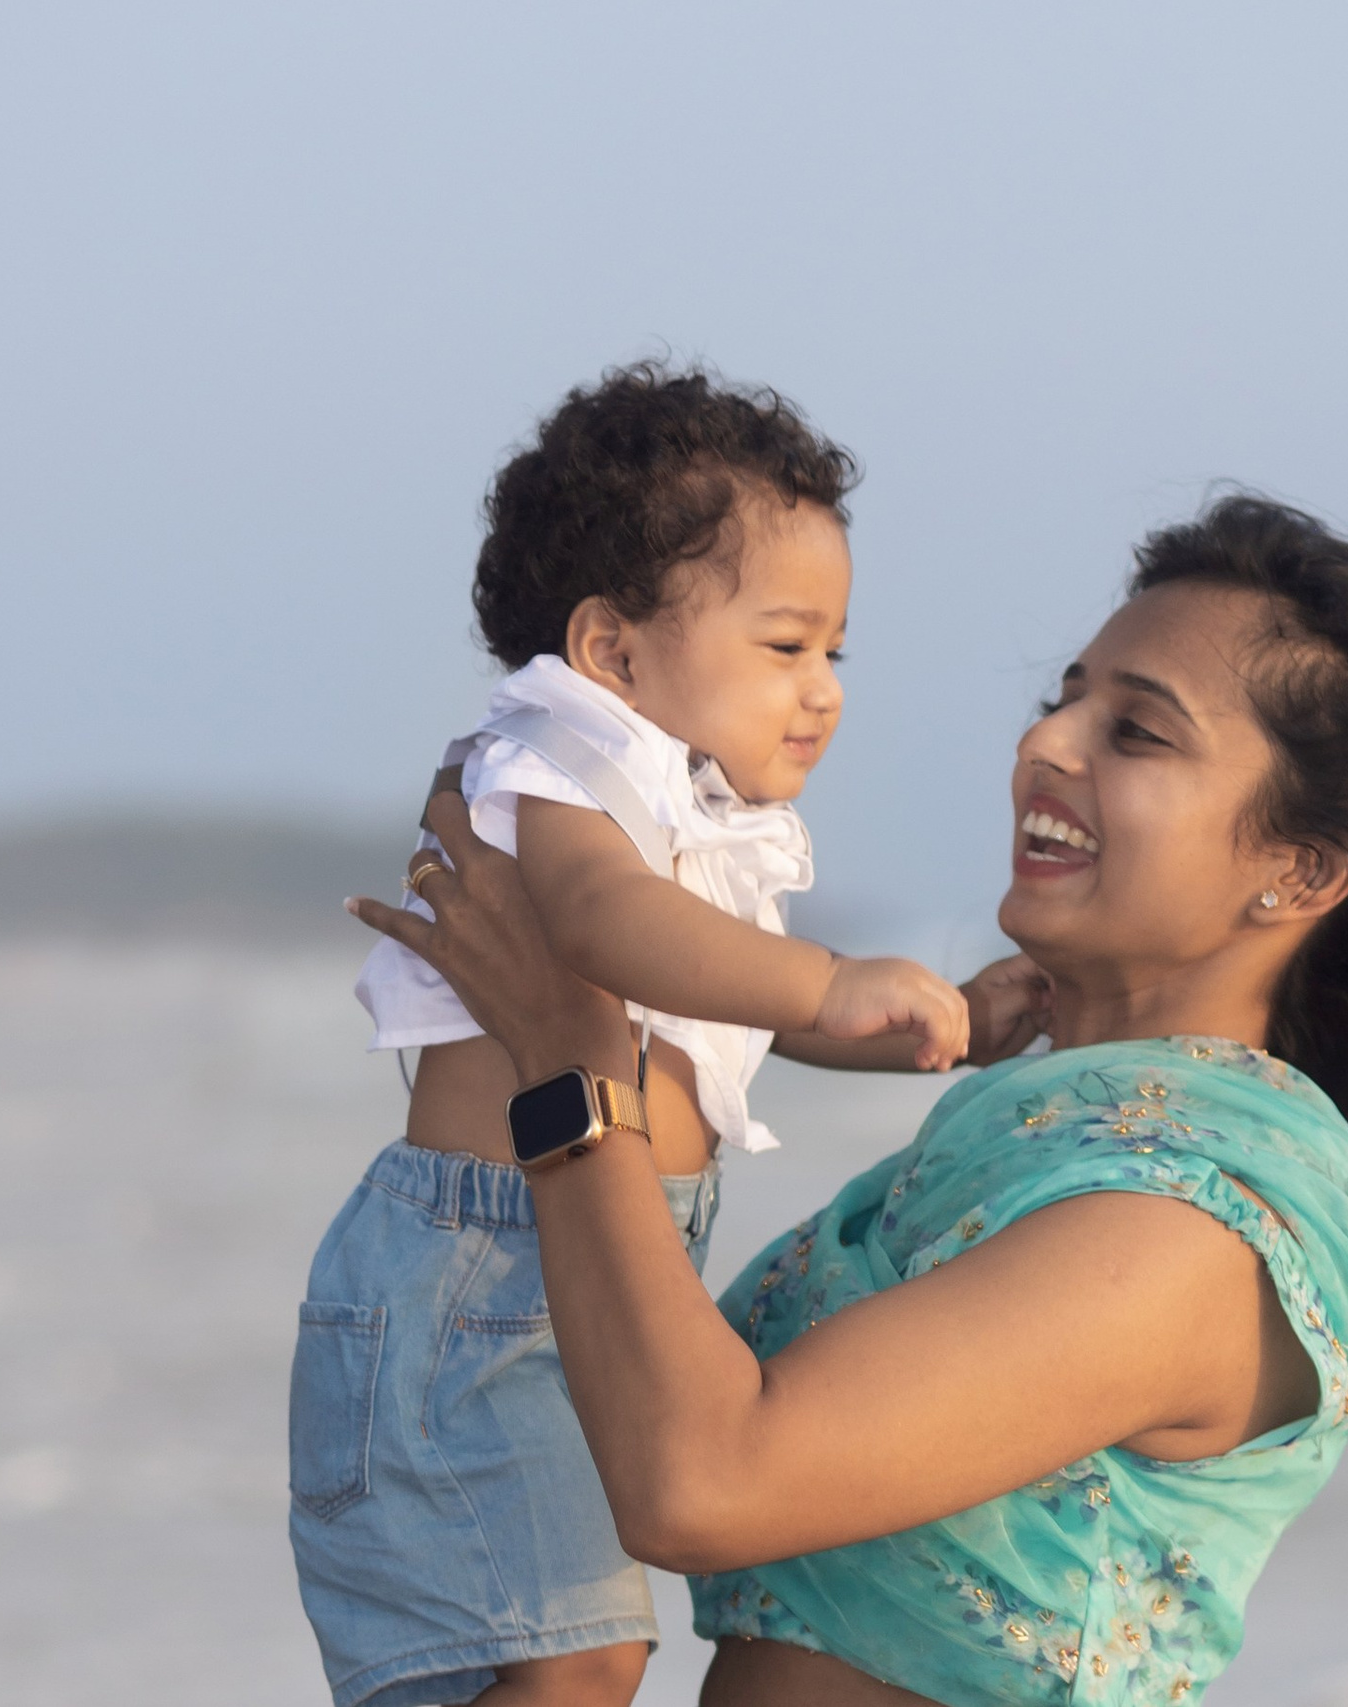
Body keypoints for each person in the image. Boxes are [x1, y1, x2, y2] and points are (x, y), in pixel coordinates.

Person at [351, 496, 1348, 1704]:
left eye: (1135, 733)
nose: (1047, 745)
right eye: (1061, 699)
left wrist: (570, 1058)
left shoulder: (1201, 1221)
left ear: (1301, 870)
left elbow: (700, 1483)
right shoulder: (1045, 1129)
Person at [293, 364, 979, 1707]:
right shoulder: (545, 762)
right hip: (473, 1265)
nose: (823, 689)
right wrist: (829, 978)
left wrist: (927, 1022)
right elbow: (603, 926)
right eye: (785, 647)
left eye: (836, 651)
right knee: (568, 1658)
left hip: (591, 1259)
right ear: (610, 650)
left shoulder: (692, 821)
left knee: (575, 1656)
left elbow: (720, 1012)